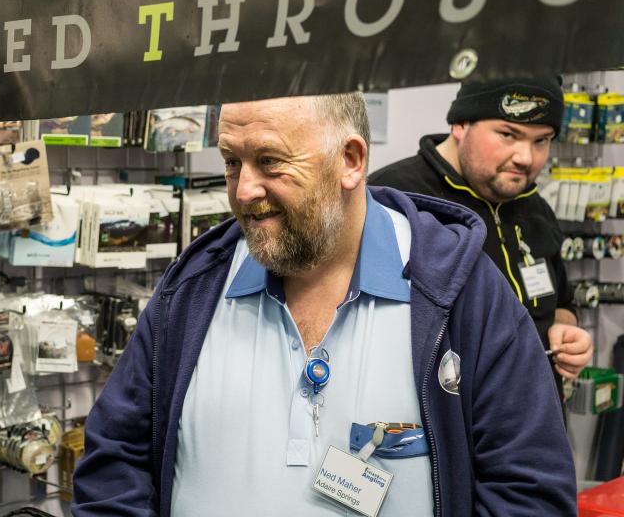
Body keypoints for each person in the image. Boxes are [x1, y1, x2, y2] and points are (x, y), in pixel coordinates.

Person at [72, 92, 576, 516]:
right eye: (232, 162)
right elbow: (114, 464)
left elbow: (529, 491)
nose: (244, 190)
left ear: (350, 160)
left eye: (270, 161)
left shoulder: (459, 295)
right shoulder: (193, 290)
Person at [369, 76, 593, 393]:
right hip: (444, 414)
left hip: (534, 409)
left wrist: (568, 334)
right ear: (461, 124)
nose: (526, 157)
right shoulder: (394, 198)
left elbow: (562, 305)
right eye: (508, 134)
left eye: (541, 141)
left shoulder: (536, 208)